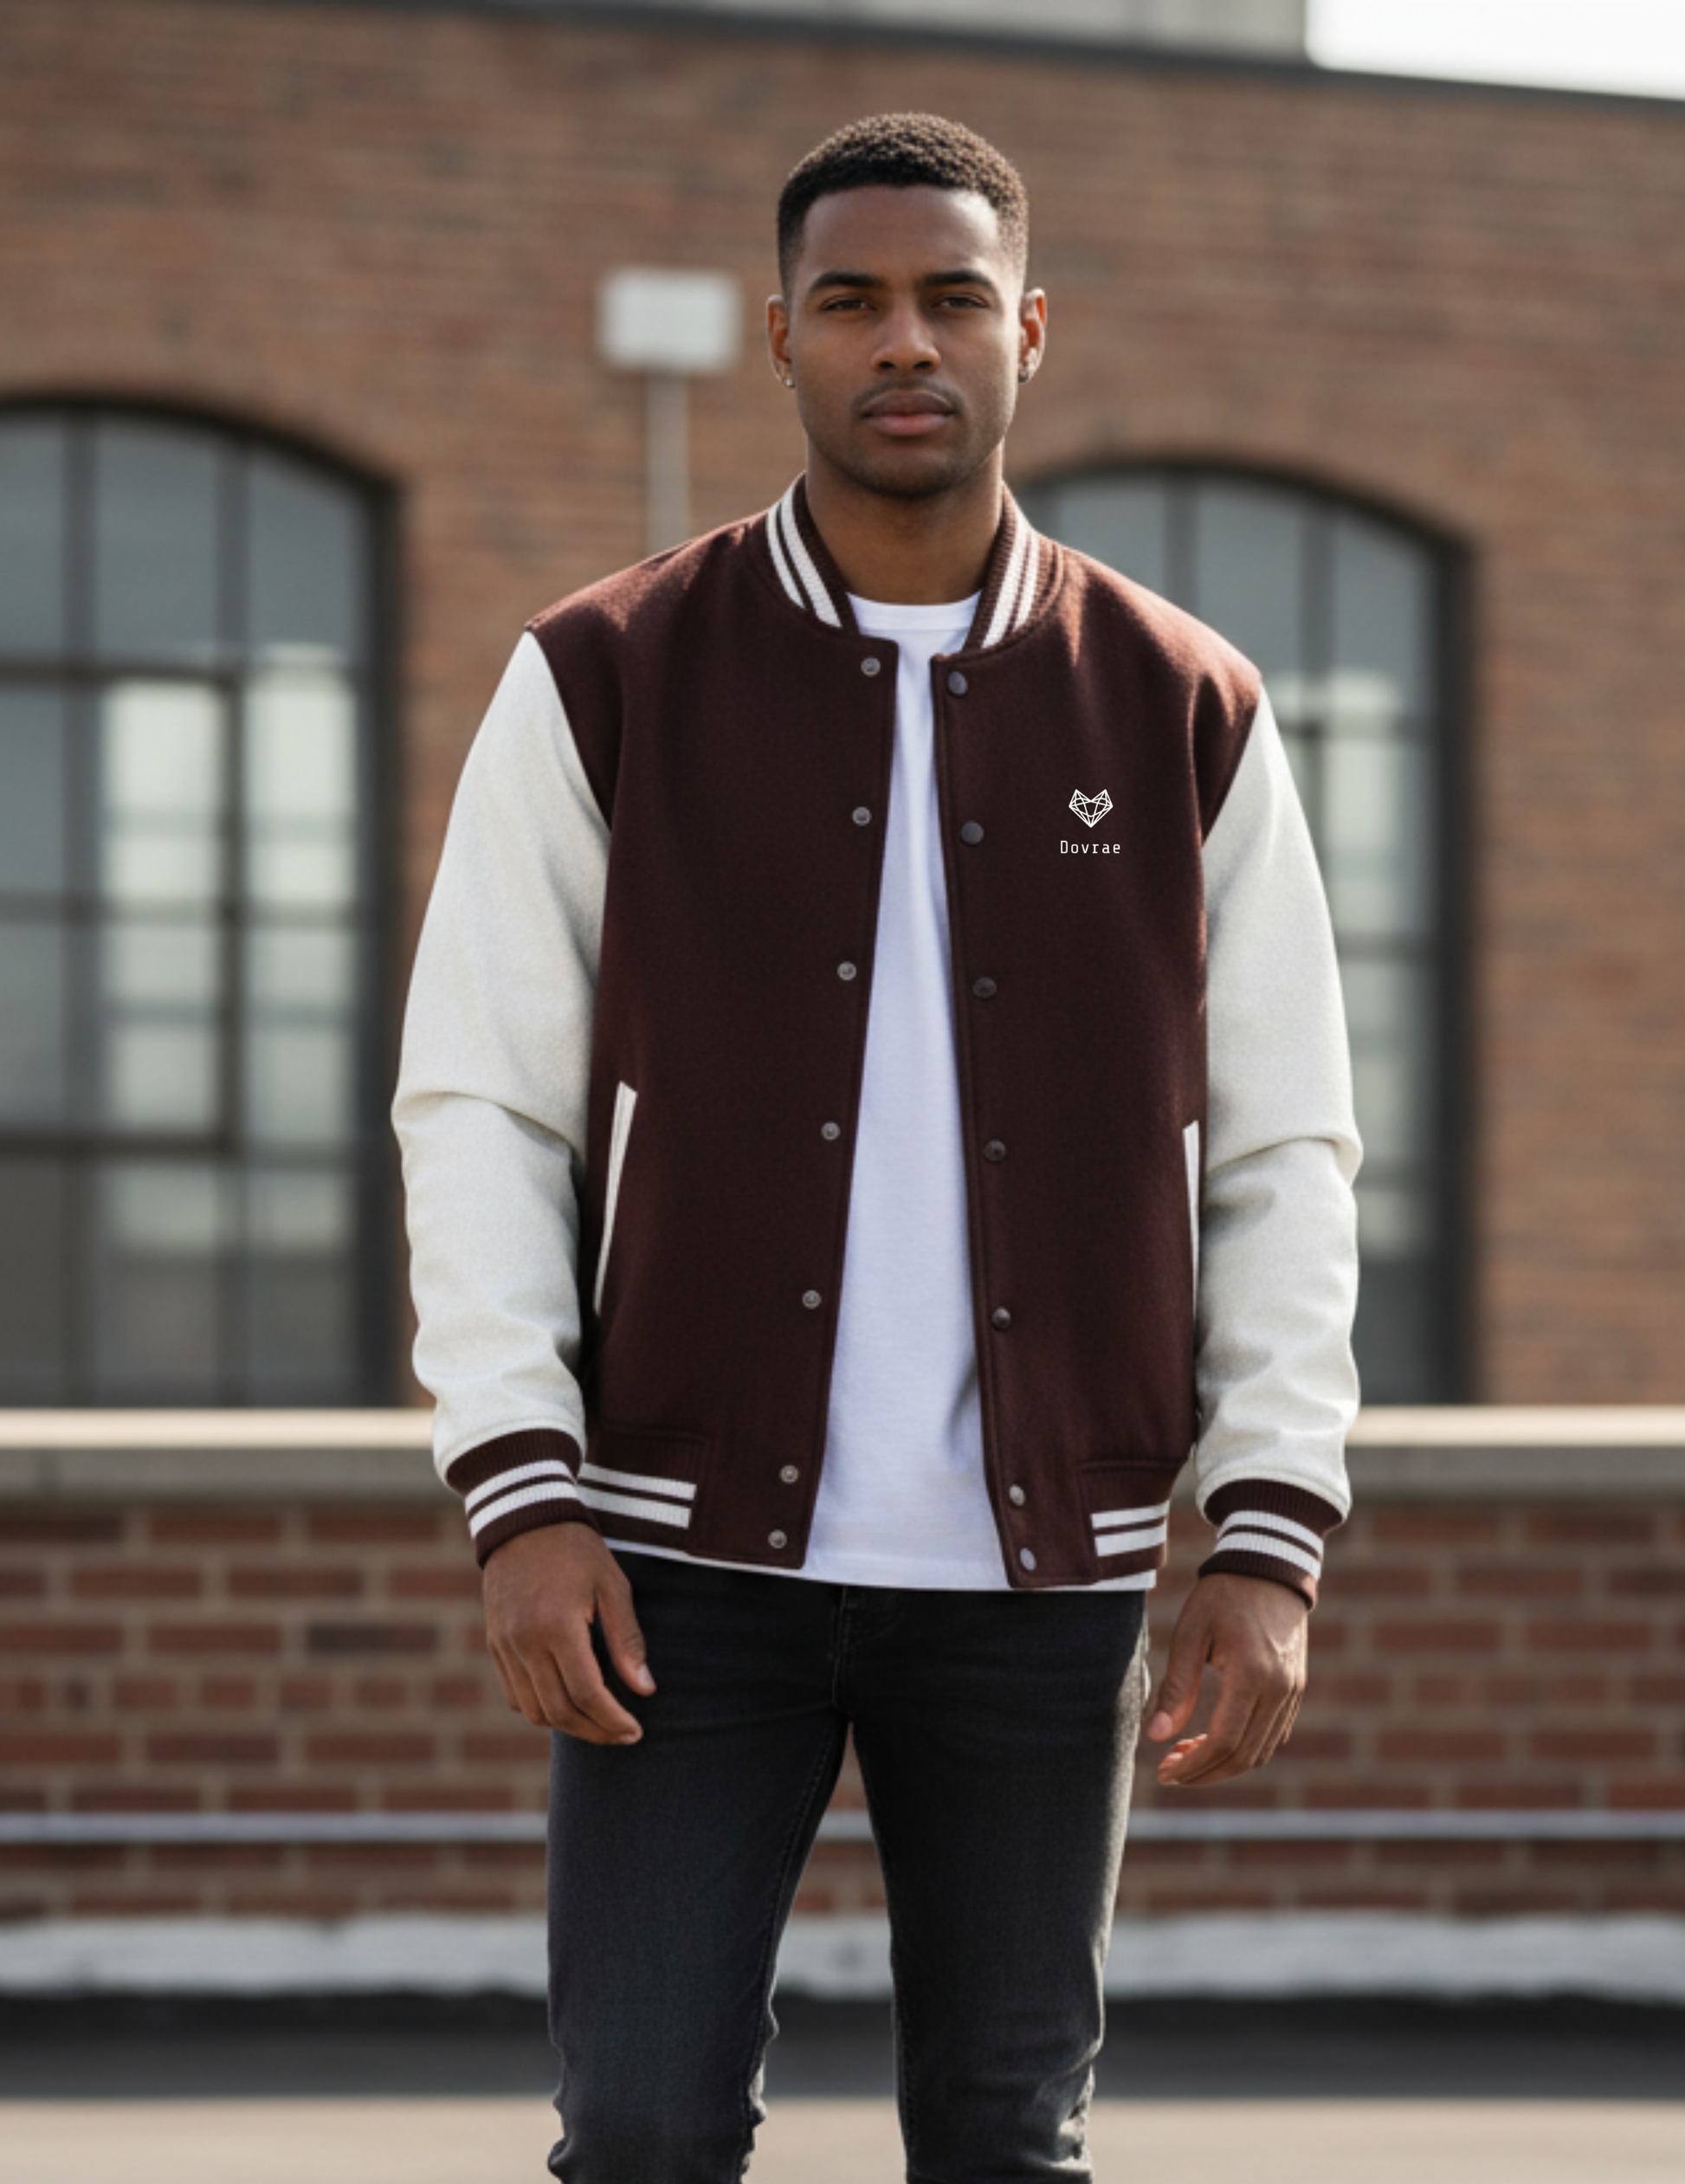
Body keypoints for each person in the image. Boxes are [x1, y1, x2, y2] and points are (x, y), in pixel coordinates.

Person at [395, 111, 1359, 2184]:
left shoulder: (1178, 701)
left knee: (1007, 2139)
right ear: (780, 336)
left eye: (945, 299)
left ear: (1030, 329)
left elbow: (1284, 1144)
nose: (899, 341)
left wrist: (1266, 1522)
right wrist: (519, 1489)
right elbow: (478, 1102)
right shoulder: (608, 675)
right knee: (642, 2130)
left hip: (1041, 1578)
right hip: (677, 1563)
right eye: (850, 302)